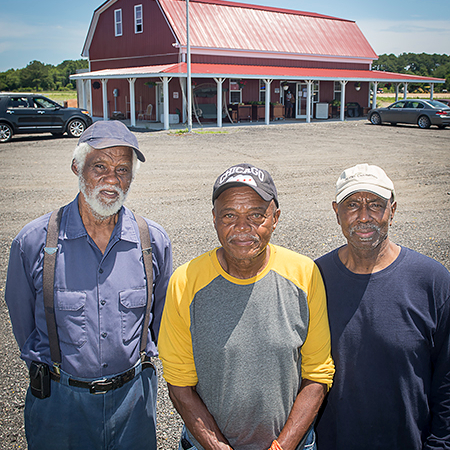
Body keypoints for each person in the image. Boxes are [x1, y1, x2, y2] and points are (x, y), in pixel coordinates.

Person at [5, 120, 172, 450]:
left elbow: (161, 323)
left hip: (133, 405)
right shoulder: (34, 242)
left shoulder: (152, 241)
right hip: (60, 404)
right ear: (76, 166)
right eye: (100, 166)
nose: (113, 180)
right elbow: (24, 327)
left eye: (123, 169)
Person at [158, 163, 334, 450]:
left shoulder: (304, 274)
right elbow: (179, 384)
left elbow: (317, 373)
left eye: (256, 215)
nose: (242, 227)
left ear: (275, 218)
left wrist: (283, 446)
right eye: (229, 215)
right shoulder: (186, 282)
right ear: (214, 219)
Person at [315, 163, 450, 449]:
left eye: (375, 204)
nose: (364, 217)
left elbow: (447, 380)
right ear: (336, 211)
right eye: (352, 205)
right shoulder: (315, 278)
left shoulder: (432, 281)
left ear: (393, 209)